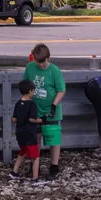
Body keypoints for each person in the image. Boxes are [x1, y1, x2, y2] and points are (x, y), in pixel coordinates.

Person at [23, 44, 65, 179]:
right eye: (38, 62)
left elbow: (61, 90)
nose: (40, 65)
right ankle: (34, 165)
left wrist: (54, 105)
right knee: (35, 138)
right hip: (35, 110)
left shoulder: (54, 71)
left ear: (48, 58)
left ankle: (54, 166)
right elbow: (25, 86)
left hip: (50, 110)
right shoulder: (30, 67)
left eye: (43, 62)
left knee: (53, 139)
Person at [11, 81, 44, 180]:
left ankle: (14, 172)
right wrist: (42, 120)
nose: (34, 93)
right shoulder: (32, 104)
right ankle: (35, 178)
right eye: (33, 91)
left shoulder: (17, 104)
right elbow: (31, 119)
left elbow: (14, 119)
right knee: (35, 156)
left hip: (19, 132)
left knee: (23, 152)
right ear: (30, 91)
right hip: (29, 132)